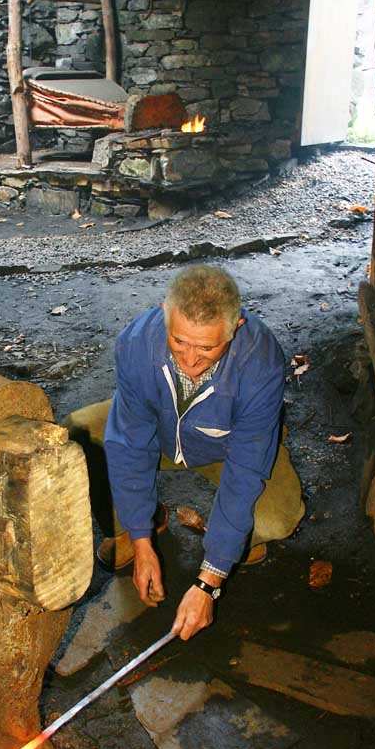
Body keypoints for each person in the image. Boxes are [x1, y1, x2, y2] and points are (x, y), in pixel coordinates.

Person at [63, 265, 304, 641]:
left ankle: (234, 547)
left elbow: (245, 471)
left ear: (235, 327)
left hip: (225, 448)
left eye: (207, 347)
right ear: (164, 313)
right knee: (74, 439)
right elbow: (130, 444)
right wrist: (142, 542)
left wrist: (209, 582)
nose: (190, 361)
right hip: (159, 434)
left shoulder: (261, 364)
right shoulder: (136, 343)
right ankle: (134, 522)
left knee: (276, 517)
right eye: (179, 342)